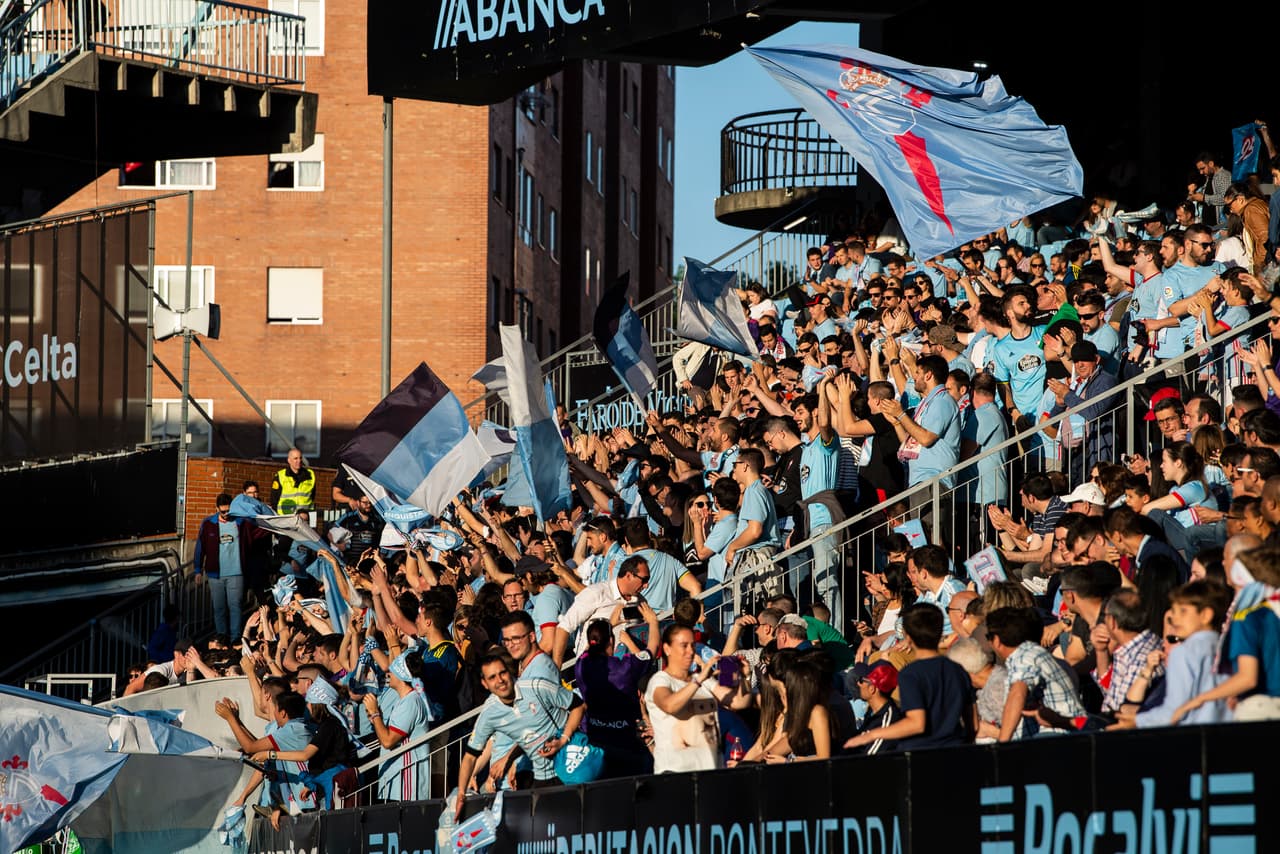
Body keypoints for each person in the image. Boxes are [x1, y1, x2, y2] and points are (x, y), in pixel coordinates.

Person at [455, 653, 584, 810]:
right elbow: (472, 754)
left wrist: (563, 738)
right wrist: (462, 790)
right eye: (492, 677)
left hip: (569, 764)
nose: (500, 680)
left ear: (511, 672)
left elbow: (578, 705)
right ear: (484, 683)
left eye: (502, 673)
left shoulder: (536, 687)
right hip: (528, 781)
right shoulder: (490, 712)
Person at [844, 604, 973, 751]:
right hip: (956, 748)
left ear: (907, 637)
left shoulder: (911, 674)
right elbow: (971, 720)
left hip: (922, 753)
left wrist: (872, 735)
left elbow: (916, 723)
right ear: (940, 632)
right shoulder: (958, 669)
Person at [644, 624, 751, 774]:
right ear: (667, 649)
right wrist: (699, 680)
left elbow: (739, 702)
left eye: (693, 645)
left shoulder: (701, 680)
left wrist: (744, 677)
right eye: (684, 645)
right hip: (675, 774)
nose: (691, 651)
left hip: (710, 771)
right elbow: (669, 705)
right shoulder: (661, 680)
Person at [575, 615, 658, 778]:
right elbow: (651, 651)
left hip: (595, 742)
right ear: (611, 641)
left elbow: (588, 648)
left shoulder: (581, 665)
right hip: (625, 743)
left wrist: (605, 627)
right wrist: (653, 622)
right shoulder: (624, 667)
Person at [987, 607, 1085, 740]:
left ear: (997, 641)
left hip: (1053, 739)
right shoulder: (1036, 654)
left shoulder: (1023, 656)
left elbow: (1018, 693)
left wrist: (1002, 745)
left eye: (989, 637)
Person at [364, 650, 432, 802]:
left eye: (392, 671)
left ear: (401, 676)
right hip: (396, 780)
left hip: (405, 781)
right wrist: (376, 718)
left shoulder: (411, 702)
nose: (388, 674)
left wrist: (375, 713)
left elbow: (388, 741)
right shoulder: (404, 701)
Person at [194, 493, 259, 638]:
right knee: (219, 608)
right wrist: (197, 569)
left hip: (236, 572)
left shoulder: (241, 522)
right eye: (222, 511)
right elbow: (200, 547)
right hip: (215, 574)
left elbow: (255, 528)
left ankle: (235, 637)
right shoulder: (208, 523)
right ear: (216, 508)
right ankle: (222, 637)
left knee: (235, 606)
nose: (226, 514)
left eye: (228, 510)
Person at [846, 661, 901, 755]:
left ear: (872, 689)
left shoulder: (887, 723)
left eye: (861, 680)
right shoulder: (873, 711)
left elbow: (868, 760)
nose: (858, 684)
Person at [272, 447, 317, 515]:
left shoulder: (310, 475)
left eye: (300, 458)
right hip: (285, 517)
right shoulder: (280, 475)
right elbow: (274, 499)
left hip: (305, 517)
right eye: (295, 458)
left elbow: (312, 496)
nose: (299, 461)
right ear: (289, 460)